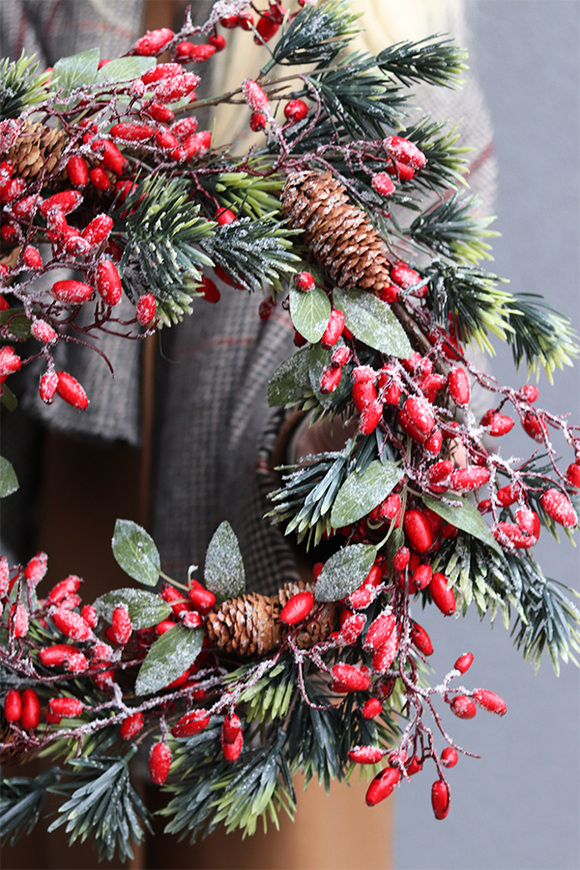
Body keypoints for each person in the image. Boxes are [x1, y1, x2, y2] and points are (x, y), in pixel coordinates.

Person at [0, 2, 495, 868]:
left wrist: (346, 452)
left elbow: (396, 304)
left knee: (263, 836)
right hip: (69, 521)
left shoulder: (379, 44)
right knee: (55, 818)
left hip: (273, 606)